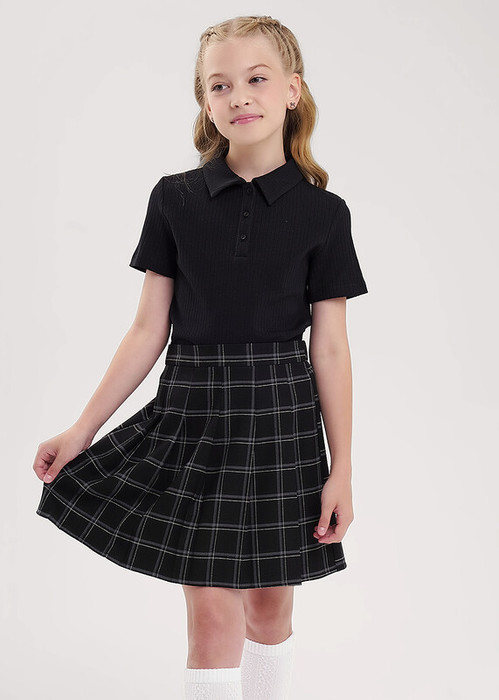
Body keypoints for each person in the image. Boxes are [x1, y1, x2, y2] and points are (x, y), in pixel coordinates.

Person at [33, 14, 368, 700]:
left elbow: (331, 349)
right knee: (212, 612)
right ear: (205, 102)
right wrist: (81, 429)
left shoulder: (325, 215)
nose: (238, 95)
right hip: (192, 416)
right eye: (219, 85)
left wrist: (342, 468)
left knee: (269, 608)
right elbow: (146, 330)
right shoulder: (174, 199)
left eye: (256, 79)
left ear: (292, 90)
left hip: (280, 422)